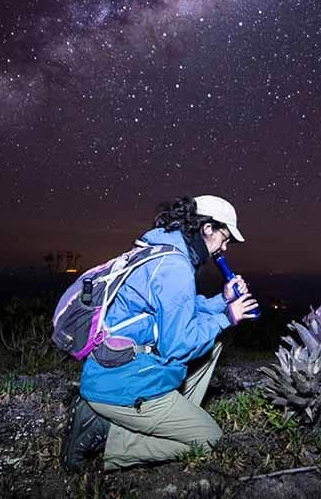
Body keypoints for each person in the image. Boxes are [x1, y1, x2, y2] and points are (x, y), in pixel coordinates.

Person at [60, 194, 259, 472]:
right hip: (121, 381)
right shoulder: (175, 267)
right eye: (225, 238)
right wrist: (227, 317)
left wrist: (222, 301)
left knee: (214, 341)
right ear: (207, 229)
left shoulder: (161, 248)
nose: (225, 247)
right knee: (211, 439)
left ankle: (161, 413)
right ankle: (106, 445)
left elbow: (179, 309)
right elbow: (177, 347)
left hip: (111, 369)